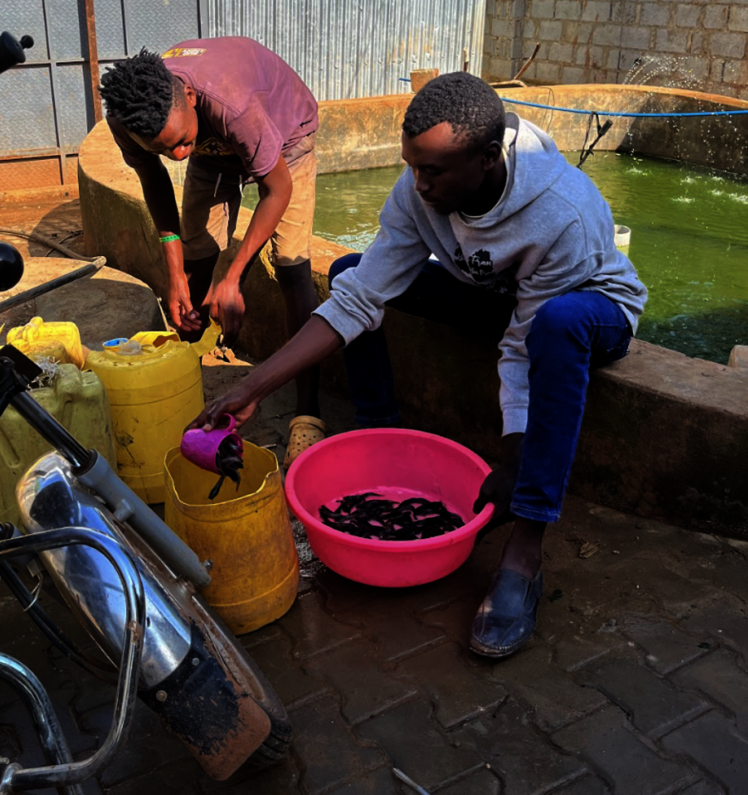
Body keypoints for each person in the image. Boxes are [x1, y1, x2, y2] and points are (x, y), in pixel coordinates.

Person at [188, 71, 647, 659]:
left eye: (433, 171)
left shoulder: (562, 213)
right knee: (354, 270)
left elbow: (522, 344)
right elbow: (358, 299)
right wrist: (252, 386)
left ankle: (525, 549)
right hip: (498, 294)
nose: (418, 184)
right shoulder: (418, 189)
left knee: (556, 328)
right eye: (412, 166)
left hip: (587, 313)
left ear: (486, 159)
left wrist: (514, 452)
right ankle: (381, 433)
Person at [99, 37, 326, 465]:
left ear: (189, 97)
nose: (180, 156)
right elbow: (155, 183)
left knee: (291, 265)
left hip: (285, 135)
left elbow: (277, 189)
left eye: (181, 141)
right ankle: (188, 369)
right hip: (216, 142)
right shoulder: (127, 118)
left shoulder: (232, 103)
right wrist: (176, 276)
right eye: (165, 150)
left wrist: (234, 276)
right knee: (197, 246)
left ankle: (308, 414)